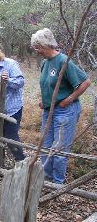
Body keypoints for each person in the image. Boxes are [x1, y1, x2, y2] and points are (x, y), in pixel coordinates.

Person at [31, 28, 91, 184]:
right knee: (46, 146)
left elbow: (85, 83)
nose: (37, 50)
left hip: (65, 112)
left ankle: (58, 184)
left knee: (59, 149)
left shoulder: (64, 61)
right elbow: (49, 86)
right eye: (35, 47)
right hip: (48, 111)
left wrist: (69, 99)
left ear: (47, 45)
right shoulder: (45, 63)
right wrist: (45, 101)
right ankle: (47, 179)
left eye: (38, 47)